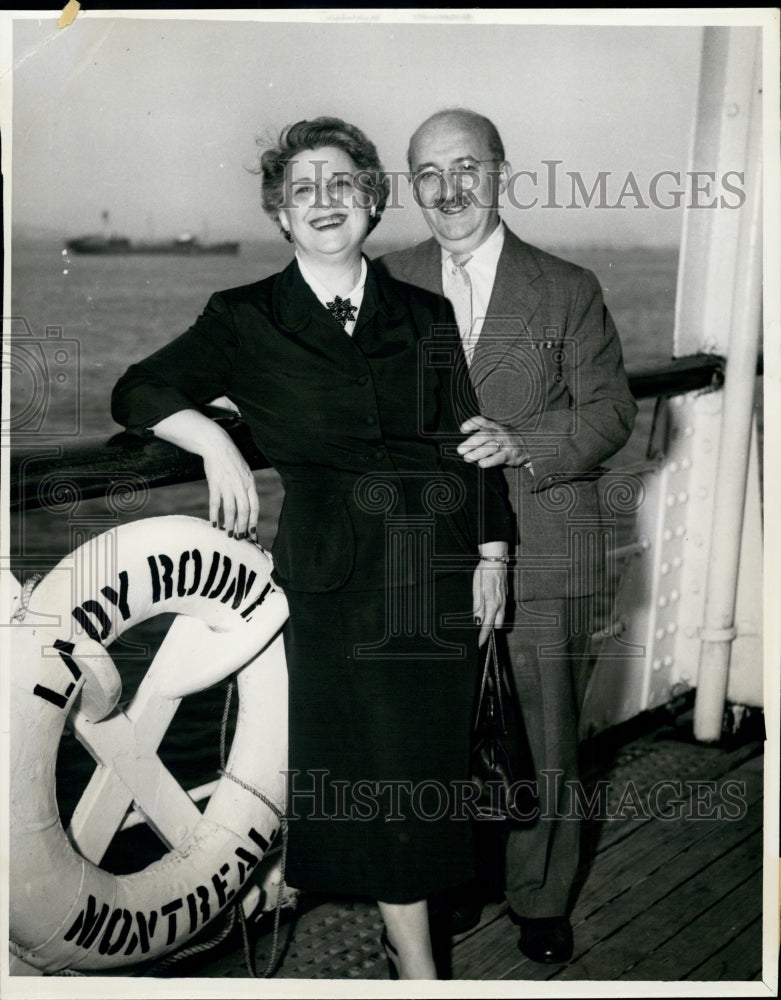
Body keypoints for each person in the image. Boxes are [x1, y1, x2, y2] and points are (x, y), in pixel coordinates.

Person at [111, 116, 510, 980]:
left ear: (371, 200)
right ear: (281, 217)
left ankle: (389, 929)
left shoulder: (424, 312)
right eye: (302, 191)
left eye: (341, 185)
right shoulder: (245, 317)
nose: (323, 203)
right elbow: (138, 389)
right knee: (382, 767)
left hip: (436, 570)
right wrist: (215, 443)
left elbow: (463, 442)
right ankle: (418, 966)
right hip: (335, 578)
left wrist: (493, 555)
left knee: (423, 766)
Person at [379, 108, 637, 965]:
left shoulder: (565, 286)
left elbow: (609, 411)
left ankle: (539, 896)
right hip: (429, 553)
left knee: (546, 736)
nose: (449, 190)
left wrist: (526, 444)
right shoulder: (385, 280)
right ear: (411, 186)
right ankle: (450, 881)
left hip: (546, 542)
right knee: (438, 734)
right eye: (428, 174)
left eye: (465, 169)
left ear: (499, 173)